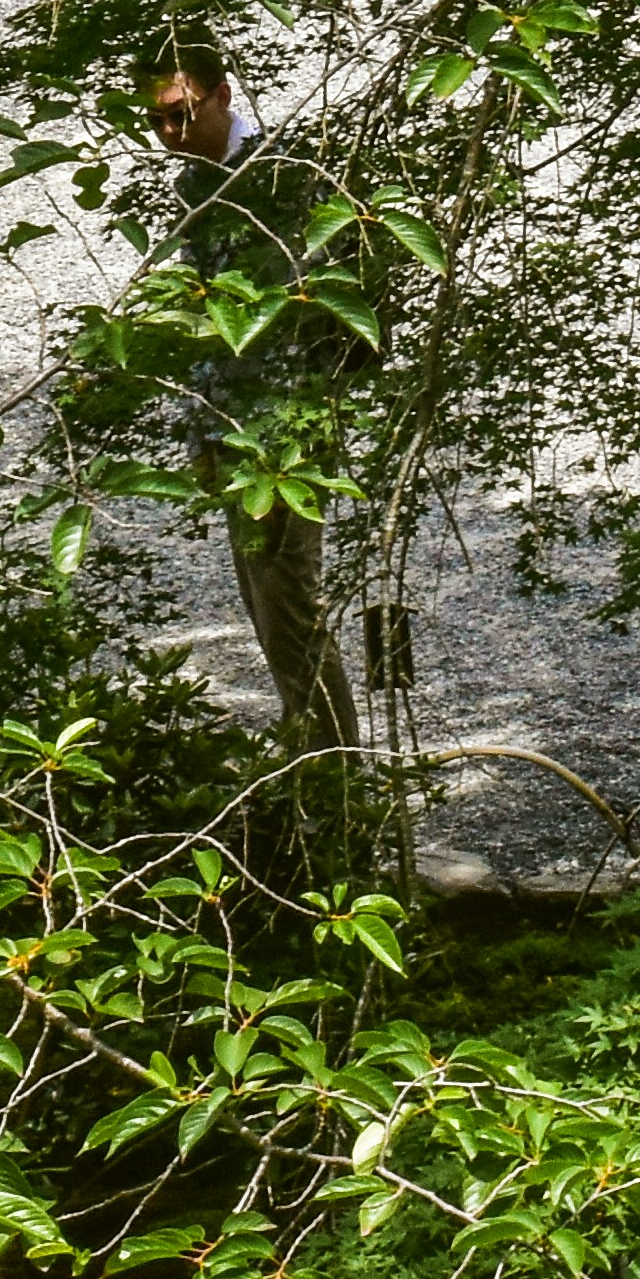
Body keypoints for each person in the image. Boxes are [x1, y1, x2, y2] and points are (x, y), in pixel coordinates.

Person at [147, 53, 367, 865]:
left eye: (184, 111)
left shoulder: (271, 178)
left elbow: (282, 333)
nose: (173, 132)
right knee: (270, 612)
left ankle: (339, 787)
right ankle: (317, 768)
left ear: (222, 95)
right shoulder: (196, 184)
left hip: (279, 443)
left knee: (292, 612)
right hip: (234, 438)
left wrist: (273, 446)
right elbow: (208, 331)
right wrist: (202, 437)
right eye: (159, 119)